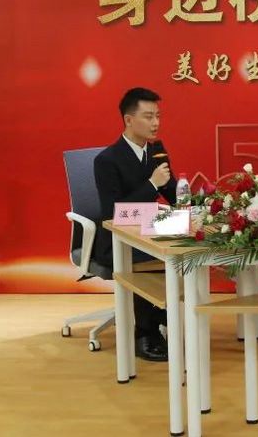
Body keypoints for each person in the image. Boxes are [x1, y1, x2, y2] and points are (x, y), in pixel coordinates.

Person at [94, 88, 176, 362]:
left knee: (181, 249)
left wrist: (193, 200)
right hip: (117, 240)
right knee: (156, 256)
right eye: (148, 116)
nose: (156, 123)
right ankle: (145, 332)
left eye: (158, 116)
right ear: (129, 120)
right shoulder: (107, 160)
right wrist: (152, 184)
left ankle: (165, 313)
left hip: (148, 232)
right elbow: (114, 213)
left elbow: (172, 194)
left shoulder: (156, 151)